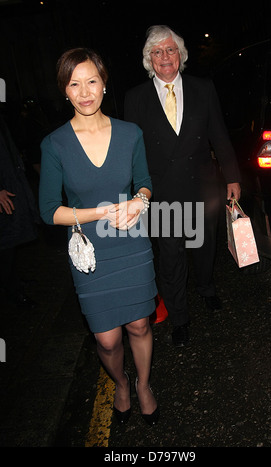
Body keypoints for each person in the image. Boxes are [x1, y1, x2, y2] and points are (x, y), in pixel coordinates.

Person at [39, 48, 159, 426]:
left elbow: (145, 184)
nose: (85, 91)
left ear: (104, 84)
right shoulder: (55, 144)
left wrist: (140, 202)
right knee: (107, 340)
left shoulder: (130, 134)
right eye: (74, 84)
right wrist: (100, 212)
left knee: (140, 325)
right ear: (65, 91)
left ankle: (143, 385)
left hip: (132, 245)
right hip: (90, 252)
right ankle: (119, 383)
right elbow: (49, 210)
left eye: (92, 80)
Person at [124, 25, 241, 347]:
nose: (165, 57)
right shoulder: (135, 98)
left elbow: (219, 134)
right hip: (161, 193)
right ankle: (179, 317)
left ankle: (206, 288)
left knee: (204, 247)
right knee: (171, 257)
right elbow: (132, 151)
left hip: (202, 187)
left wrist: (232, 177)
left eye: (171, 50)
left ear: (181, 55)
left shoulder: (203, 88)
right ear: (149, 59)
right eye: (158, 52)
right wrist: (134, 191)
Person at [0, 108, 39, 308]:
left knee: (13, 241)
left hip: (12, 183)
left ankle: (13, 280)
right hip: (4, 191)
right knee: (6, 243)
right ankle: (12, 289)